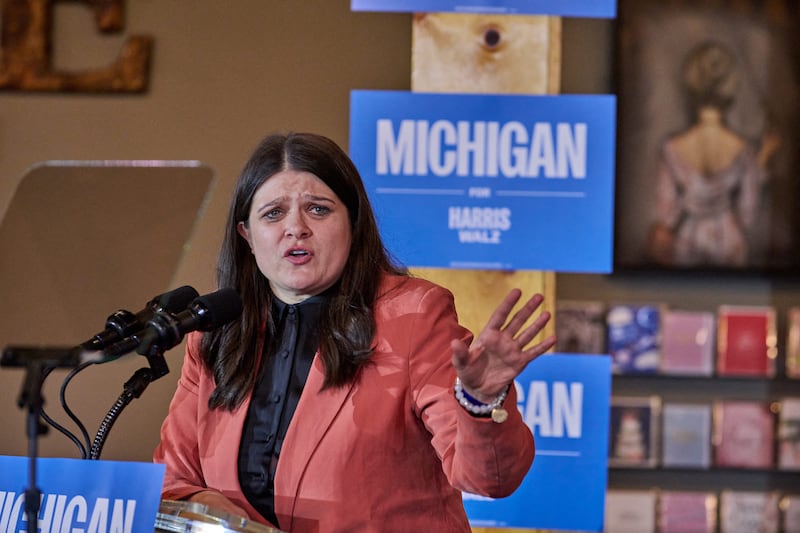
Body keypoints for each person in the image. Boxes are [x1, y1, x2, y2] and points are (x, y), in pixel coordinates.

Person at [153, 131, 556, 532]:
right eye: (273, 213)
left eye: (318, 209)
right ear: (248, 237)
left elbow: (488, 479)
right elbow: (172, 480)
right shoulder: (215, 331)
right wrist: (215, 512)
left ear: (353, 223)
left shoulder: (414, 315)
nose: (296, 227)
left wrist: (480, 403)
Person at [646, 40, 780, 268]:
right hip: (730, 241)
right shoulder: (743, 148)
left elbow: (667, 214)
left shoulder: (671, 147)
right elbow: (747, 215)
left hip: (687, 240)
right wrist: (763, 160)